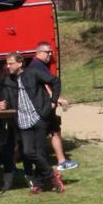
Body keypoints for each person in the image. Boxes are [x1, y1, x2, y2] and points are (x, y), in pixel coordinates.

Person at [0, 51, 63, 196]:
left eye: (11, 63)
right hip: (23, 121)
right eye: (7, 64)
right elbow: (6, 99)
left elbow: (55, 81)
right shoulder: (8, 81)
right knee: (28, 152)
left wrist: (53, 101)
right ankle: (52, 175)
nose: (8, 66)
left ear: (20, 63)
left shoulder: (33, 73)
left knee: (39, 152)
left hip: (39, 117)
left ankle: (38, 183)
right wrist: (3, 104)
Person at [31, 41, 75, 171]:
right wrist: (56, 99)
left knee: (54, 130)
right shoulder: (37, 66)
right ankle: (61, 162)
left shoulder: (40, 65)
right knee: (52, 131)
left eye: (51, 52)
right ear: (39, 53)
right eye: (47, 52)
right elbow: (45, 85)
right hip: (44, 106)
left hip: (45, 104)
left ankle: (62, 161)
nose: (50, 54)